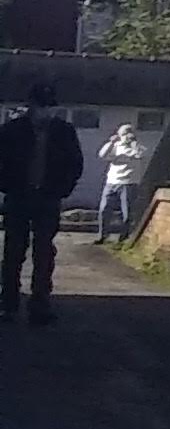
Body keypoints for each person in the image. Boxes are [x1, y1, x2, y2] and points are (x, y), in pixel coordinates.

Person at [0, 83, 88, 325]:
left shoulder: (64, 131)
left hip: (47, 198)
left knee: (44, 252)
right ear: (31, 106)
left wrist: (61, 190)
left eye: (49, 107)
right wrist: (7, 186)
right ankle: (8, 302)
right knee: (13, 251)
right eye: (41, 106)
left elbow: (74, 163)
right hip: (19, 196)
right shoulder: (13, 130)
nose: (45, 111)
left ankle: (39, 304)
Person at [94, 122, 151, 242]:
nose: (126, 136)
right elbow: (102, 155)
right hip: (112, 182)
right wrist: (111, 142)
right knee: (104, 209)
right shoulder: (115, 146)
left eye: (128, 132)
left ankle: (124, 236)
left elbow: (141, 155)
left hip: (129, 182)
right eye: (124, 133)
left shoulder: (137, 147)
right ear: (119, 134)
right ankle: (102, 235)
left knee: (127, 212)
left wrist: (134, 144)